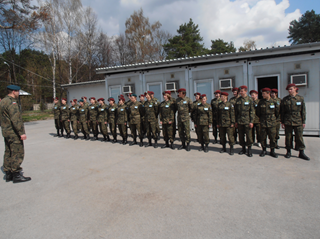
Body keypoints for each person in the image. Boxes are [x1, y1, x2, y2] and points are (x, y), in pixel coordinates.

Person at [0, 85, 31, 183]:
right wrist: (21, 133)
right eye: (18, 92)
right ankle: (16, 174)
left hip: (6, 132)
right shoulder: (12, 102)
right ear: (14, 92)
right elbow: (15, 119)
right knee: (17, 153)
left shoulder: (3, 101)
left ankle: (8, 173)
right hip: (13, 132)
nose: (18, 93)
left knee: (8, 152)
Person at [281, 83, 310, 160]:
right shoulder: (285, 99)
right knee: (288, 137)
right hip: (288, 121)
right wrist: (282, 121)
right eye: (288, 90)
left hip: (298, 121)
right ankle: (288, 152)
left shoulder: (300, 98)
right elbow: (282, 111)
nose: (290, 91)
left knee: (299, 137)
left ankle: (301, 152)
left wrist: (303, 121)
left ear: (295, 89)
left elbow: (303, 111)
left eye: (291, 89)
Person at [256, 88, 280, 158]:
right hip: (263, 122)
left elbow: (277, 112)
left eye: (264, 93)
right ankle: (264, 150)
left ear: (268, 93)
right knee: (263, 137)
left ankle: (272, 151)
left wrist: (272, 118)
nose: (262, 95)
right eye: (262, 93)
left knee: (272, 137)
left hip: (272, 122)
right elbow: (258, 112)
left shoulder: (274, 101)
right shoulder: (261, 102)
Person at [235, 85, 255, 157]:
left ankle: (249, 149)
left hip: (247, 121)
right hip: (240, 121)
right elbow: (236, 112)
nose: (241, 92)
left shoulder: (249, 99)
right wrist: (236, 121)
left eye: (242, 91)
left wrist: (251, 121)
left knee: (249, 136)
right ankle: (243, 149)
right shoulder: (238, 100)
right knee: (241, 136)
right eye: (240, 91)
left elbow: (252, 111)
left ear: (246, 91)